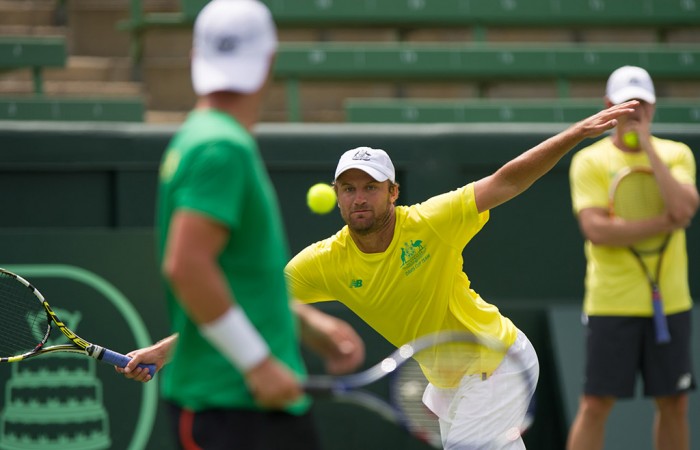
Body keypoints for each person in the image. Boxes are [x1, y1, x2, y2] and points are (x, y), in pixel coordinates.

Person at [283, 101, 638, 449]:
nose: (359, 198)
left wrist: (573, 134)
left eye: (371, 187)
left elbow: (507, 182)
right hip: (448, 380)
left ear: (393, 192)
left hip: (496, 361)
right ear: (337, 197)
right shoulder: (324, 261)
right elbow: (265, 295)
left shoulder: (431, 223)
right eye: (349, 189)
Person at [117, 1, 364, 449]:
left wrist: (303, 324)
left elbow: (235, 277)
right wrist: (257, 364)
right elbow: (186, 266)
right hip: (235, 408)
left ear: (196, 58)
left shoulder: (203, 139)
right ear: (269, 60)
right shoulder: (221, 147)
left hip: (244, 407)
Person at [566, 66, 698, 450]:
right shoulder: (589, 161)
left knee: (675, 402)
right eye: (626, 105)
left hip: (672, 304)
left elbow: (685, 209)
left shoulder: (677, 154)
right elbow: (597, 230)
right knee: (595, 404)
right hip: (611, 304)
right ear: (608, 107)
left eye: (642, 105)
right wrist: (666, 222)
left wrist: (647, 146)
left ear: (654, 108)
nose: (634, 112)